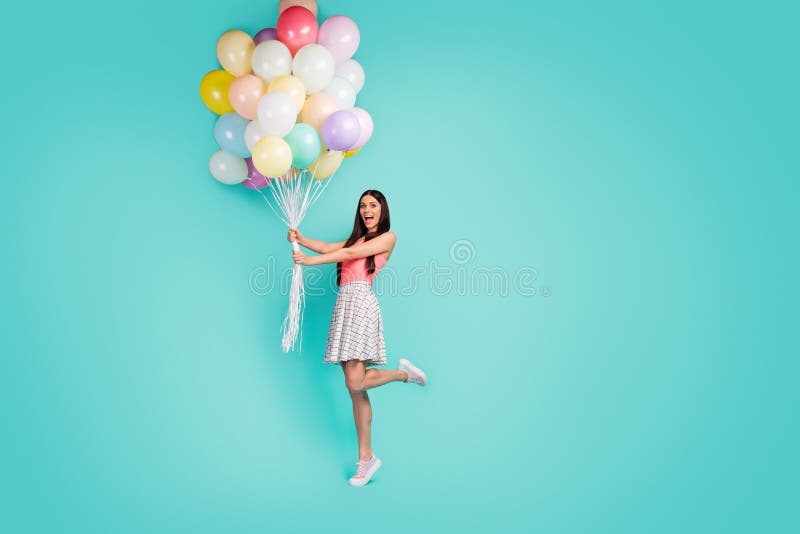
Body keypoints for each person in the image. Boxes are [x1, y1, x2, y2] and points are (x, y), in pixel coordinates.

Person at [288, 189, 427, 487]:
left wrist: (309, 262)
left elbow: (349, 255)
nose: (367, 209)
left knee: (355, 381)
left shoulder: (387, 238)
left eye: (373, 205)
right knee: (355, 389)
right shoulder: (355, 239)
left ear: (382, 210)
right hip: (343, 306)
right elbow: (329, 246)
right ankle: (366, 458)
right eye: (363, 205)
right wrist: (301, 239)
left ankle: (404, 374)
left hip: (361, 304)